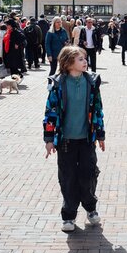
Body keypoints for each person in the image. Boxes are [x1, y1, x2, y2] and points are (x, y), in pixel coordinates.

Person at [43, 46, 106, 232]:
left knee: (88, 174)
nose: (85, 61)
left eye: (85, 58)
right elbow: (50, 112)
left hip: (87, 140)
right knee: (68, 178)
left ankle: (91, 208)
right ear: (68, 62)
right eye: (80, 59)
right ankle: (69, 216)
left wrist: (100, 134)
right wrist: (48, 138)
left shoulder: (92, 82)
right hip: (65, 141)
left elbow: (98, 109)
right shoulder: (58, 84)